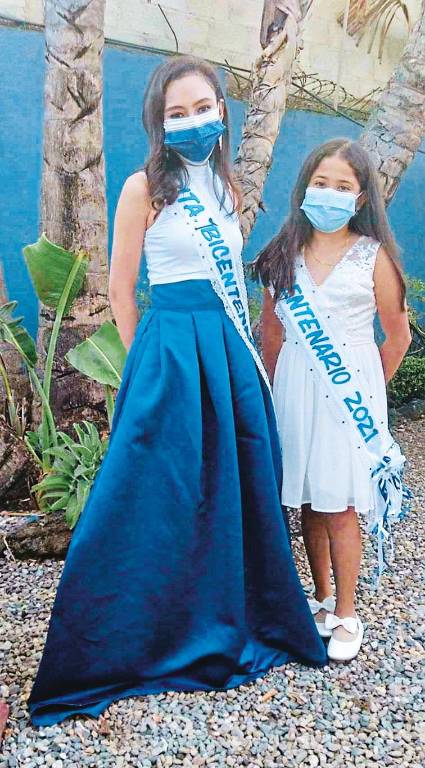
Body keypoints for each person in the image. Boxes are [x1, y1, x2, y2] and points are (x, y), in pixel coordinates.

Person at [29, 56, 326, 726]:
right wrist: (148, 363)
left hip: (223, 346)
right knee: (151, 489)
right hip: (170, 348)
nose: (193, 122)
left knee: (230, 482)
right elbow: (119, 288)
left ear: (222, 111)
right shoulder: (144, 188)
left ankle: (227, 612)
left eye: (203, 108)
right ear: (158, 123)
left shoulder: (224, 183)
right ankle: (122, 635)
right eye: (177, 113)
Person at [254, 138, 411, 663]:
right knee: (308, 499)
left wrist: (366, 392)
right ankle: (321, 600)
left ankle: (347, 611)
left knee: (339, 504)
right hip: (295, 388)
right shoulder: (282, 255)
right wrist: (279, 385)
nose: (330, 193)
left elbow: (397, 337)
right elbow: (271, 333)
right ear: (305, 188)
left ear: (361, 198)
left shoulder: (374, 257)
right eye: (321, 183)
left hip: (350, 396)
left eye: (343, 186)